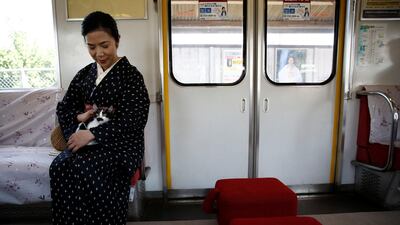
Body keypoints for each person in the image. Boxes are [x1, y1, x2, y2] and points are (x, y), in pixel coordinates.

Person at [49, 11, 150, 225]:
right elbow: (65, 107)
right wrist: (79, 119)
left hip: (119, 144)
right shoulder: (84, 74)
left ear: (117, 40)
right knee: (59, 167)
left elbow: (135, 119)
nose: (99, 53)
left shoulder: (131, 77)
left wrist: (93, 133)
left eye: (105, 45)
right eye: (92, 47)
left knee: (87, 170)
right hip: (84, 139)